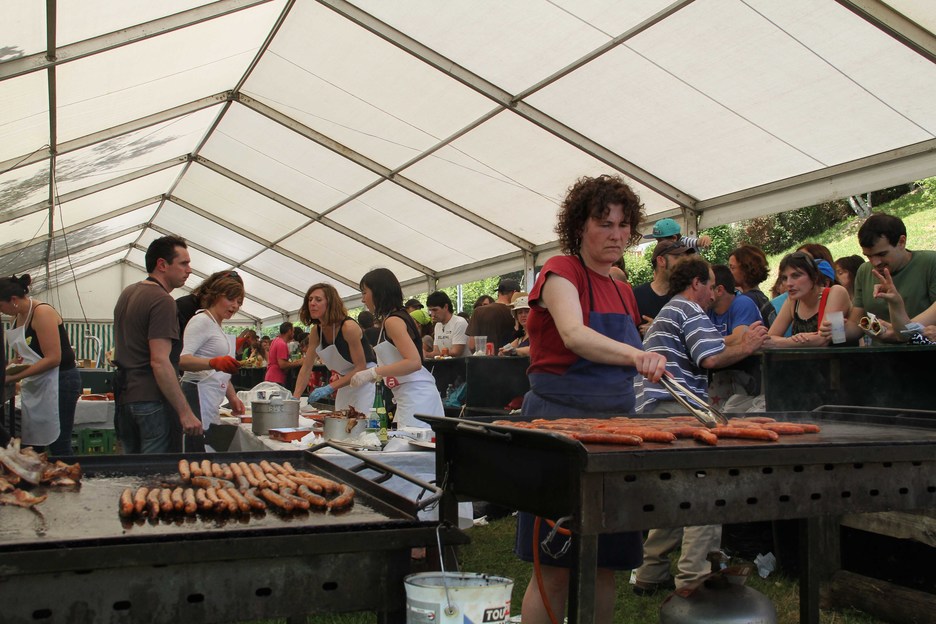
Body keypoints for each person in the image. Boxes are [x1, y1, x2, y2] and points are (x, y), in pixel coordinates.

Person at [515, 174, 667, 623]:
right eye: (605, 224)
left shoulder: (623, 290)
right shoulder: (561, 271)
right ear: (580, 226)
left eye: (623, 226)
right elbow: (575, 335)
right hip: (560, 425)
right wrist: (639, 355)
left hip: (618, 428)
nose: (616, 235)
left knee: (607, 563)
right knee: (555, 566)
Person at [633, 257, 767, 593]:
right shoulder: (689, 309)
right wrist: (749, 345)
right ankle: (694, 580)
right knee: (705, 490)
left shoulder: (673, 309)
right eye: (710, 284)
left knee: (675, 489)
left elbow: (714, 346)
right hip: (673, 407)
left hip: (655, 407)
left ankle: (650, 573)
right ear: (696, 283)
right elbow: (710, 357)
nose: (714, 293)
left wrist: (739, 341)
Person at [112, 235, 203, 453]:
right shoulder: (162, 300)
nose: (189, 270)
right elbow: (160, 361)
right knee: (155, 477)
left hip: (125, 397)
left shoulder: (128, 293)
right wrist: (185, 412)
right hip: (150, 400)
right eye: (183, 263)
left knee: (131, 475)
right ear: (162, 264)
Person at [351, 268, 443, 428]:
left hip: (417, 398)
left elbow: (414, 362)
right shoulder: (394, 318)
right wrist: (376, 375)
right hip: (409, 397)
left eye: (365, 293)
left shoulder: (393, 321)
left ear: (378, 292)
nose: (363, 299)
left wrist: (373, 372)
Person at [0, 274, 81, 456]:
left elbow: (53, 358)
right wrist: (6, 370)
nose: (2, 311)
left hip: (60, 381)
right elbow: (21, 358)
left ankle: (66, 476)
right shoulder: (16, 318)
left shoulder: (42, 312)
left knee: (59, 443)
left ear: (13, 300)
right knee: (33, 444)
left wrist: (14, 377)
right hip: (37, 385)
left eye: (1, 306)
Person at [837, 214, 936, 343]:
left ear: (901, 242)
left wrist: (897, 332)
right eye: (869, 256)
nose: (875, 262)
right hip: (882, 359)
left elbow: (908, 332)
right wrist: (835, 330)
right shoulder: (864, 271)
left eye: (882, 254)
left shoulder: (930, 263)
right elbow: (858, 323)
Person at [178, 276, 245, 451]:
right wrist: (213, 362)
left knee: (210, 451)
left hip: (211, 398)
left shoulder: (217, 325)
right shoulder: (201, 321)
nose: (235, 306)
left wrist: (232, 397)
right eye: (230, 299)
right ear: (215, 296)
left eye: (239, 302)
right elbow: (182, 360)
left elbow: (220, 371)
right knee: (198, 453)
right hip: (196, 394)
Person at [292, 283, 378, 413]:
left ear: (330, 303)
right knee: (340, 420)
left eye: (318, 300)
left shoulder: (348, 327)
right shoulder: (316, 331)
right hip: (344, 380)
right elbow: (306, 367)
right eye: (310, 300)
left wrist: (330, 387)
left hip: (363, 379)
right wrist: (295, 398)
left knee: (359, 420)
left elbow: (360, 367)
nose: (312, 303)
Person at [706, 265, 764, 410]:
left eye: (708, 288)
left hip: (747, 380)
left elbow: (740, 337)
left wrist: (707, 343)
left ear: (719, 290)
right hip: (722, 379)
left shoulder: (742, 303)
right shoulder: (708, 309)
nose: (703, 293)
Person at [765, 252, 851, 348]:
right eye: (784, 278)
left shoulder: (836, 292)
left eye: (796, 276)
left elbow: (822, 340)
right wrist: (795, 340)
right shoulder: (793, 301)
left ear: (814, 276)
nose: (789, 283)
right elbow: (768, 339)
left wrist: (783, 342)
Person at [633, 240, 696, 337]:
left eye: (685, 259)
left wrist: (658, 328)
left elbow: (694, 335)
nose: (684, 264)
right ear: (661, 261)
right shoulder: (636, 295)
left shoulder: (687, 297)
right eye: (678, 257)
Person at [176, 269, 243, 335]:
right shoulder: (184, 306)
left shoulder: (212, 318)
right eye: (230, 297)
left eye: (239, 301)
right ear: (216, 292)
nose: (235, 305)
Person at [728, 245, 776, 328]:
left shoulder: (745, 301)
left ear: (745, 269)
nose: (729, 273)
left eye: (732, 268)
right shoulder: (761, 298)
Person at [467, 278, 520, 353]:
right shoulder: (517, 313)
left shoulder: (478, 311)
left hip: (482, 361)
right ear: (514, 293)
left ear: (499, 292)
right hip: (507, 360)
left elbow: (472, 345)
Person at [424, 291, 468, 358]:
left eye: (435, 310)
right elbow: (436, 352)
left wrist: (427, 354)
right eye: (430, 311)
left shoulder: (459, 322)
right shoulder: (438, 325)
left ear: (446, 307)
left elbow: (456, 352)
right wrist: (424, 354)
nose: (432, 314)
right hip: (447, 366)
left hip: (463, 366)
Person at [643, 217, 712, 249]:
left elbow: (697, 242)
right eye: (657, 240)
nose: (658, 244)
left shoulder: (683, 242)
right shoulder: (666, 251)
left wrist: (704, 239)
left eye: (660, 240)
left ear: (674, 238)